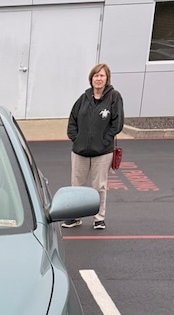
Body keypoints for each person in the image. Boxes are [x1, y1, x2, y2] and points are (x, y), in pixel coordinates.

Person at [63, 63, 124, 230]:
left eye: (102, 75)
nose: (98, 79)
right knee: (77, 186)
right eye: (96, 76)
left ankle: (99, 218)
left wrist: (105, 140)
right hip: (80, 151)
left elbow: (117, 123)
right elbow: (73, 119)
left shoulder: (114, 97)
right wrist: (76, 138)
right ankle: (75, 217)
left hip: (102, 152)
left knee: (99, 187)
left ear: (107, 78)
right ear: (91, 79)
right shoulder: (83, 98)